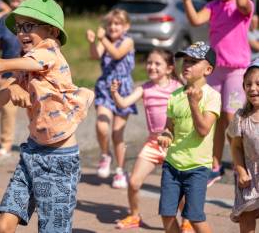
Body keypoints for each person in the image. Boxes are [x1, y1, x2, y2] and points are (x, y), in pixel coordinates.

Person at [0, 0, 94, 233]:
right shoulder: (28, 65)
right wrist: (13, 87)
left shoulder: (48, 53)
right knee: (3, 227)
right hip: (32, 152)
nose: (21, 32)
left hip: (59, 159)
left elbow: (1, 64)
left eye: (29, 26)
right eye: (19, 27)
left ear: (52, 32)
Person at [179, 0, 254, 185]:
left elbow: (241, 1)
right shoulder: (213, 6)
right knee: (214, 117)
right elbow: (195, 20)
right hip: (216, 70)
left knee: (231, 116)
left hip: (236, 71)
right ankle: (215, 164)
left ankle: (242, 161)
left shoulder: (243, 7)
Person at [110, 50, 188, 230]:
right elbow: (123, 104)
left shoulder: (178, 87)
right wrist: (115, 94)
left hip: (174, 144)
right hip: (153, 143)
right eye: (149, 63)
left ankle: (187, 221)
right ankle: (134, 215)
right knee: (133, 182)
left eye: (157, 63)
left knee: (181, 189)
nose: (151, 66)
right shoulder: (144, 88)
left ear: (169, 68)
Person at [157, 41, 221, 233]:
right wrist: (166, 136)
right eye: (185, 60)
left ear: (208, 69)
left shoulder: (212, 96)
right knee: (167, 215)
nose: (186, 65)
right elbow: (169, 128)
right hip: (172, 165)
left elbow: (203, 130)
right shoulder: (174, 96)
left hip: (197, 168)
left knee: (194, 217)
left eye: (193, 61)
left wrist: (194, 103)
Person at [86, 9, 137, 188]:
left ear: (126, 26)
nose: (113, 27)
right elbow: (94, 55)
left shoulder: (128, 41)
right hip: (105, 88)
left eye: (117, 24)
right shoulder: (104, 41)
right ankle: (105, 155)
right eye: (110, 24)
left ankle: (121, 171)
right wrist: (93, 42)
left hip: (123, 90)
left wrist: (102, 39)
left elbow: (116, 54)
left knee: (117, 134)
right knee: (101, 125)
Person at [0, 0, 32, 158]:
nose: (15, 4)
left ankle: (37, 143)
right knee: (7, 110)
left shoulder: (33, 21)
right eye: (13, 0)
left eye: (19, 0)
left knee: (34, 108)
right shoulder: (3, 21)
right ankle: (5, 144)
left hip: (30, 69)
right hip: (8, 67)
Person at [227, 60, 259, 233]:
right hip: (249, 176)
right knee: (247, 217)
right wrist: (241, 171)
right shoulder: (241, 116)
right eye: (249, 84)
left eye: (258, 84)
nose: (253, 88)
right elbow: (236, 146)